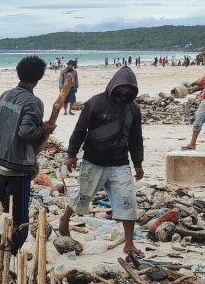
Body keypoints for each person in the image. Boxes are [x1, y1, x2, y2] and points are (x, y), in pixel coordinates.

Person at [59, 66, 145, 260]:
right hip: (93, 160)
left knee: (127, 200)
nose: (124, 94)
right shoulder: (95, 103)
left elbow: (136, 138)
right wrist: (71, 154)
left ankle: (129, 243)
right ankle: (65, 219)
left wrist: (138, 163)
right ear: (113, 86)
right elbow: (80, 130)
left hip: (120, 163)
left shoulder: (133, 109)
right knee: (83, 195)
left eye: (128, 91)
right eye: (121, 90)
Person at [0, 56, 56, 254]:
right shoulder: (33, 102)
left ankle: (1, 250)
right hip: (17, 167)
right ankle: (11, 253)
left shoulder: (6, 95)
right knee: (19, 219)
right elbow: (26, 132)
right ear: (39, 77)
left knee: (3, 210)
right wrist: (43, 128)